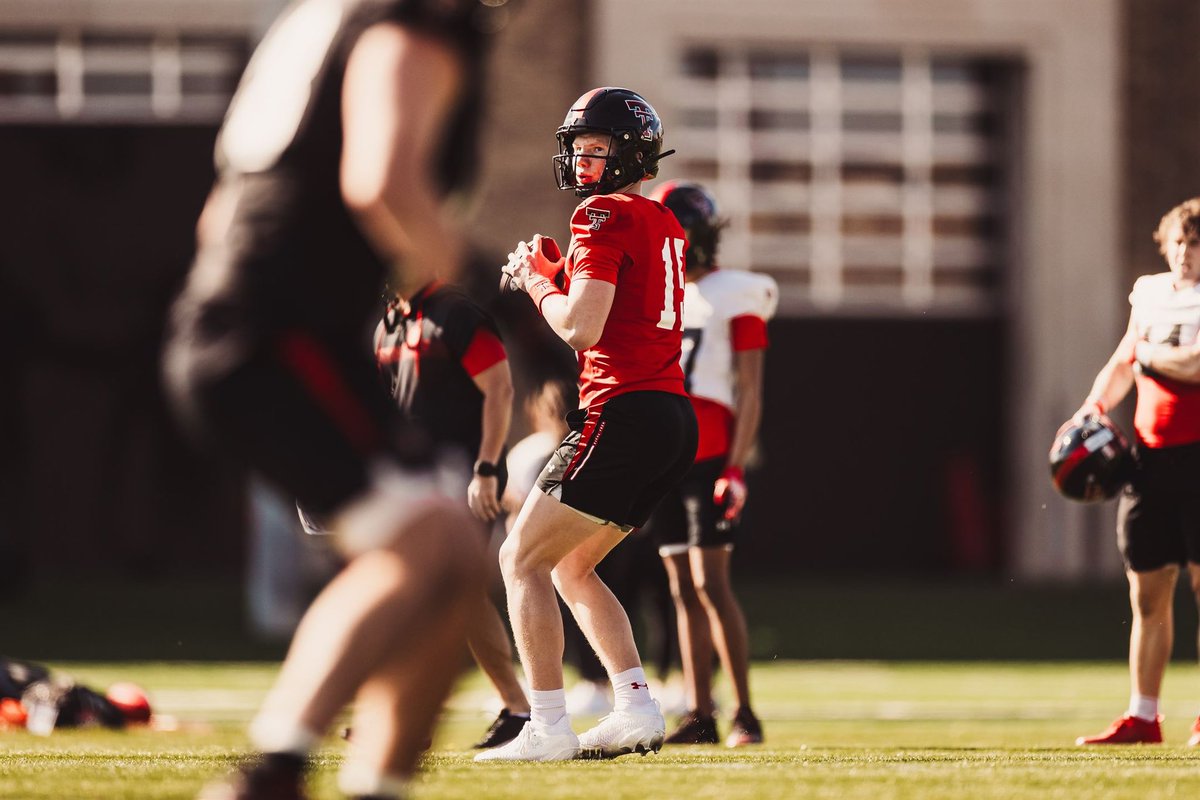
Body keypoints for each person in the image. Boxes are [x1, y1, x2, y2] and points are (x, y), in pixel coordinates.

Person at [162, 1, 508, 798]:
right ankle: (272, 770)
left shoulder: (314, 26)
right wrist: (485, 285)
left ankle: (363, 782)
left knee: (453, 555)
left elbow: (223, 212)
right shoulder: (410, 24)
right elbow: (381, 184)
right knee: (430, 542)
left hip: (254, 326)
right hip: (276, 336)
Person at [475, 87, 697, 762]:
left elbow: (582, 326)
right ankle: (634, 707)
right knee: (572, 566)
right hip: (667, 415)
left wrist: (540, 284)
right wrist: (561, 271)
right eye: (578, 149)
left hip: (623, 409)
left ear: (631, 155)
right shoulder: (663, 221)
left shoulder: (601, 213)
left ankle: (546, 726)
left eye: (598, 149)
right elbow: (619, 306)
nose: (584, 163)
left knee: (519, 558)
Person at [644, 181, 776, 748]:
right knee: (680, 587)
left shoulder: (736, 293)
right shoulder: (654, 292)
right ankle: (700, 713)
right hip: (665, 456)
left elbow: (749, 389)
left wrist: (737, 466)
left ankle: (744, 712)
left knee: (710, 583)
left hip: (710, 452)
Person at [373, 278, 531, 748]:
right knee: (422, 591)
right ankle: (512, 707)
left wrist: (485, 467)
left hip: (464, 474)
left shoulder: (456, 313)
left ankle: (520, 707)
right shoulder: (387, 323)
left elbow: (500, 390)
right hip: (412, 479)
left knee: (449, 590)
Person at [1072, 197, 1200, 747]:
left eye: (1195, 244)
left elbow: (1194, 364)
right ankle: (1144, 717)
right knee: (1148, 593)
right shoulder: (1149, 293)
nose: (1185, 254)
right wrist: (1091, 409)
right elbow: (1126, 357)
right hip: (1149, 460)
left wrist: (1146, 358)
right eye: (1178, 242)